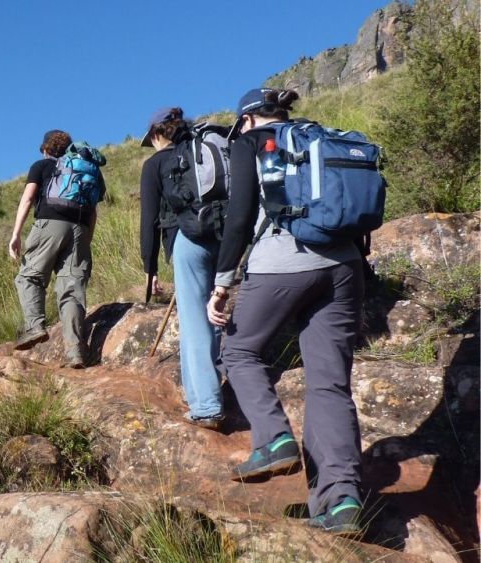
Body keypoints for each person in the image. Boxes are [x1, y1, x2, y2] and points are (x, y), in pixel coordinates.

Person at [207, 88, 365, 536]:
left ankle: (274, 438)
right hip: (345, 266)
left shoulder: (249, 143)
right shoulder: (320, 137)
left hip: (282, 264)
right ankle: (342, 504)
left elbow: (239, 217)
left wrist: (222, 284)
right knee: (330, 384)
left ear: (248, 120)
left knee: (238, 350)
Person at [139, 107, 224, 430]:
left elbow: (149, 220)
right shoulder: (202, 153)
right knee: (213, 315)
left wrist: (150, 267)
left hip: (188, 242)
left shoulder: (156, 164)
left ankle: (207, 405)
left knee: (195, 322)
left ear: (157, 134)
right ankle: (199, 396)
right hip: (226, 237)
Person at [9, 129, 106, 368]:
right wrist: (86, 240)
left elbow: (28, 198)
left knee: (28, 277)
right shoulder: (88, 169)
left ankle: (35, 326)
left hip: (50, 223)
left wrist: (16, 234)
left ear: (45, 149)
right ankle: (75, 354)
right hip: (81, 228)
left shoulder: (41, 167)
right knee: (72, 291)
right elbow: (93, 211)